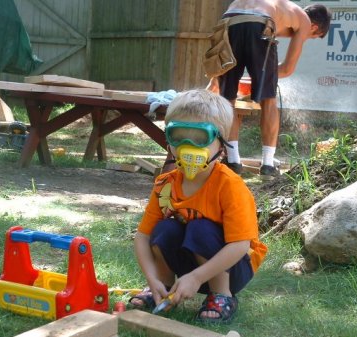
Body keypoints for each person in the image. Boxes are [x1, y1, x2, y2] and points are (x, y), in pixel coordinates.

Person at [130, 89, 267, 324]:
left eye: (199, 139)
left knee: (201, 228)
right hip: (191, 264)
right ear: (168, 139)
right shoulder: (166, 185)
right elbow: (143, 237)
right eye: (179, 136)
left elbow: (239, 245)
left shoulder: (230, 186)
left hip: (233, 267)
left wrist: (197, 277)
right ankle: (162, 286)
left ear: (221, 144)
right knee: (164, 229)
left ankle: (221, 295)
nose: (187, 147)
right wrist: (151, 278)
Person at [207, 0, 332, 177]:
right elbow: (287, 69)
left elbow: (232, 60)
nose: (304, 38)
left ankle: (233, 161)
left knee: (228, 99)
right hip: (259, 21)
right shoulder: (303, 20)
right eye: (311, 36)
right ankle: (267, 164)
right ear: (313, 27)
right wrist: (261, 80)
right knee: (268, 99)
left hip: (228, 21)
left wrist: (217, 79)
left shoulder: (281, 11)